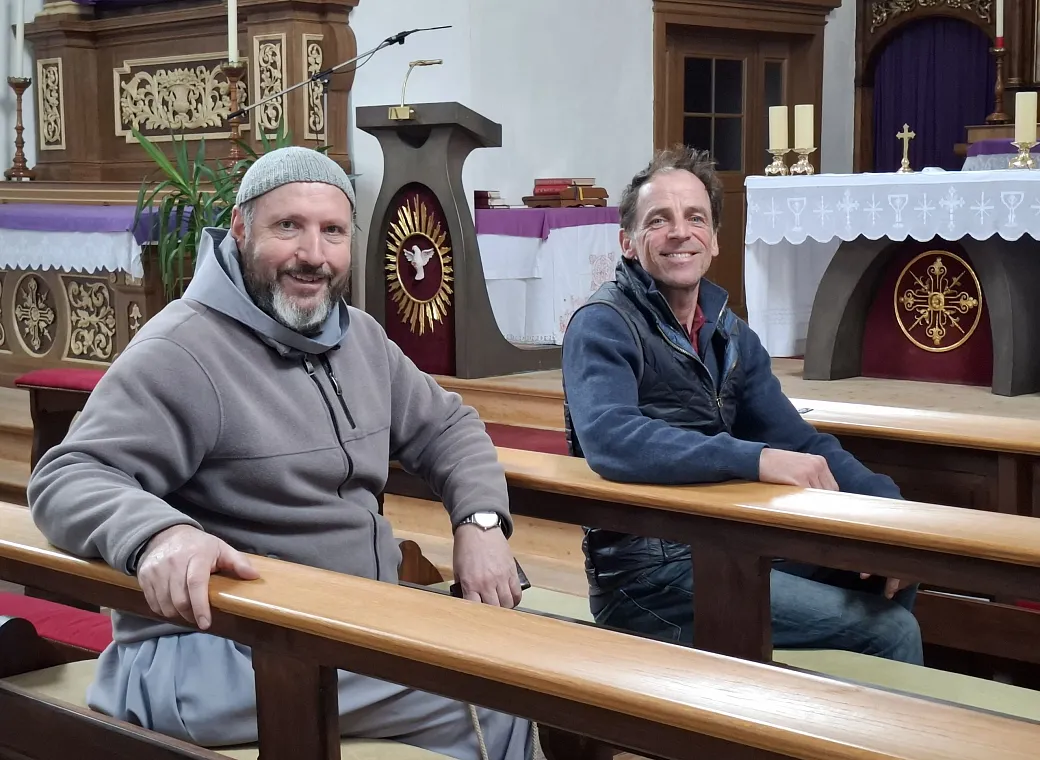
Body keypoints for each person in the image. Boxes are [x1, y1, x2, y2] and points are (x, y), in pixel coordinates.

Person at [27, 147, 534, 760]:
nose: (313, 255)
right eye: (288, 226)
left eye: (333, 232)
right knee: (498, 691)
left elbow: (449, 426)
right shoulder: (183, 349)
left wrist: (480, 521)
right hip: (218, 646)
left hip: (338, 624)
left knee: (519, 656)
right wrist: (160, 535)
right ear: (241, 229)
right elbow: (67, 475)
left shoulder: (360, 339)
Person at [560, 145, 923, 665]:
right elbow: (612, 438)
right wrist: (755, 458)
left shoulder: (731, 334)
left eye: (695, 218)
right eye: (659, 220)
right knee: (891, 631)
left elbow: (801, 442)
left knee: (888, 569)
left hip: (726, 540)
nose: (680, 232)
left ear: (713, 239)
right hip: (648, 571)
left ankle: (815, 708)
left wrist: (890, 510)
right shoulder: (603, 324)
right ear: (629, 243)